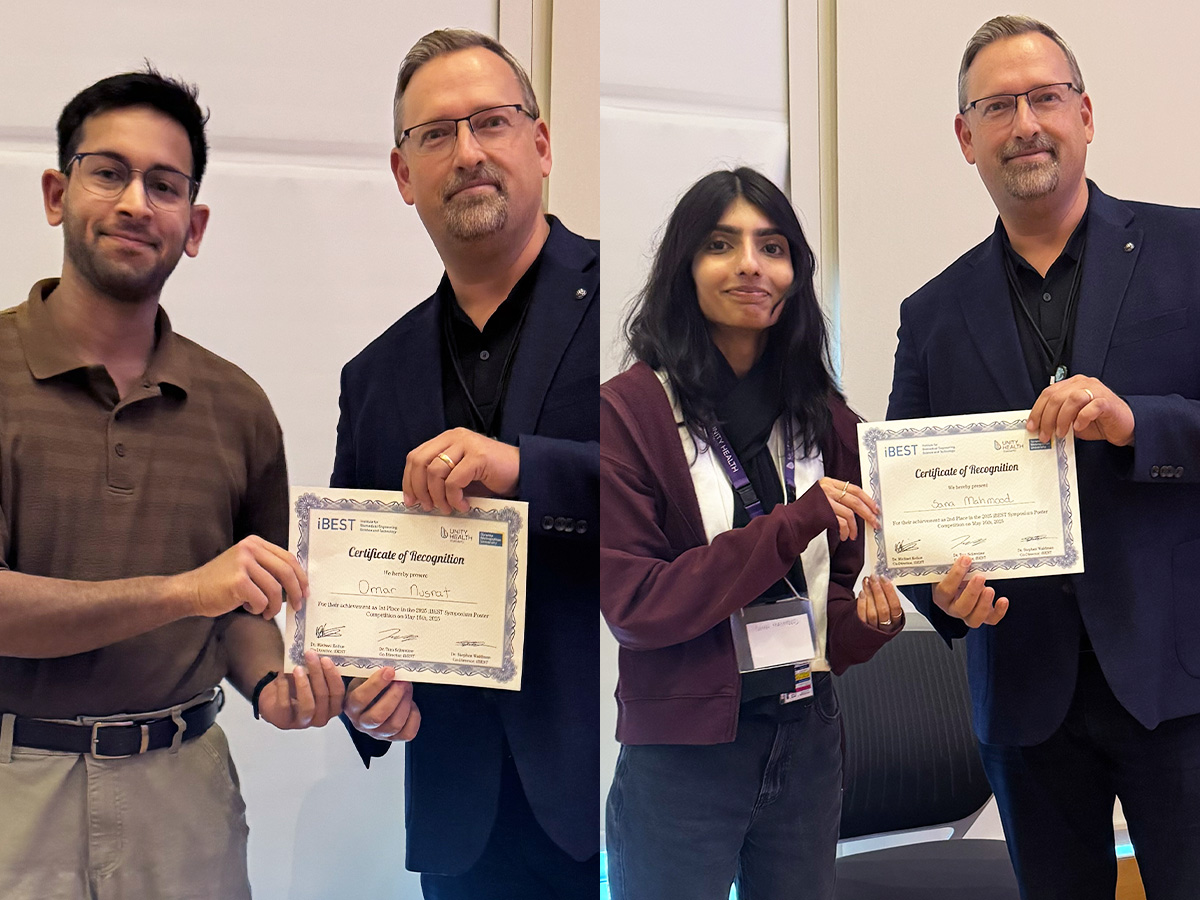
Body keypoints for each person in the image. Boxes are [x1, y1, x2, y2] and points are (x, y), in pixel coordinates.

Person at [0, 69, 343, 900]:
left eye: (164, 185)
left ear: (194, 225)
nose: (134, 203)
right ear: (57, 192)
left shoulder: (238, 406)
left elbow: (243, 614)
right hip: (18, 789)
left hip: (186, 792)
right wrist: (184, 591)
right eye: (107, 172)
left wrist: (274, 686)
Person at [888, 15, 1200, 899]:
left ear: (1086, 113)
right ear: (966, 137)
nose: (1024, 122)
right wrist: (935, 595)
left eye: (1045, 97)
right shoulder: (934, 311)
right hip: (1024, 695)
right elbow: (908, 500)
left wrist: (1137, 421)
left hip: (1179, 678)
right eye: (997, 106)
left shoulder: (1190, 250)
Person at [332, 29, 599, 899]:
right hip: (459, 815)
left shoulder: (635, 310)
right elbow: (357, 591)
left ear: (542, 143)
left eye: (491, 121)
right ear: (404, 175)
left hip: (619, 784)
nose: (469, 152)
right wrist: (361, 695)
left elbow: (684, 495)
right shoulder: (373, 377)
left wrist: (525, 468)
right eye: (435, 134)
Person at [600, 167, 903, 900]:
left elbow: (824, 602)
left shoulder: (828, 419)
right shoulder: (628, 414)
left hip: (807, 735)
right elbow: (637, 606)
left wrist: (867, 624)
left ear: (794, 273)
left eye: (771, 246)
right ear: (685, 267)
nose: (749, 265)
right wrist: (791, 520)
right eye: (720, 244)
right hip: (683, 754)